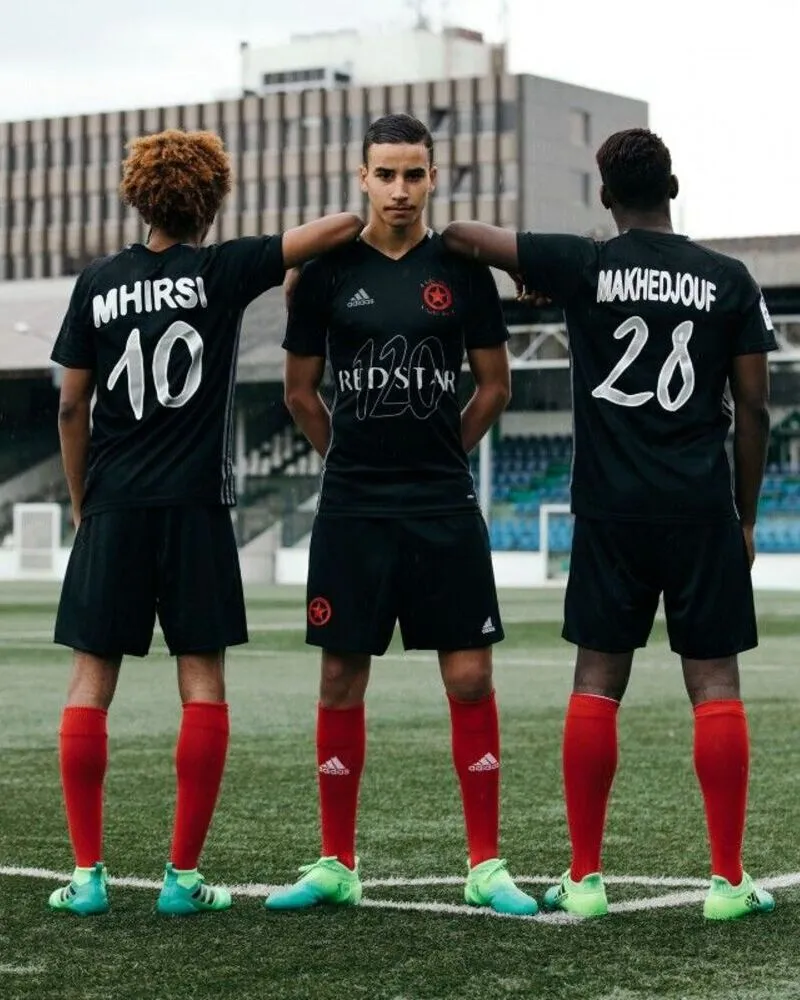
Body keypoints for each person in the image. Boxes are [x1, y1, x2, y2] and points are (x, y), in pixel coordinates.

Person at [442, 127, 777, 921]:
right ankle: (728, 882)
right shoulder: (731, 280)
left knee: (597, 682)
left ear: (605, 198)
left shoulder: (584, 263)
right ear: (674, 186)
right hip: (699, 506)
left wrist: (535, 267)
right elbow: (755, 407)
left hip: (608, 507)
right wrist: (747, 516)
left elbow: (457, 236)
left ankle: (585, 877)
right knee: (715, 683)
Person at [47, 129, 364, 916]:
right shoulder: (220, 269)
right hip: (196, 507)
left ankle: (87, 877)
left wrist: (85, 501)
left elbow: (68, 404)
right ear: (213, 200)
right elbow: (340, 228)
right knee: (203, 683)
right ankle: (182, 879)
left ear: (136, 196)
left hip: (115, 505)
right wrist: (287, 260)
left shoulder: (97, 283)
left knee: (91, 682)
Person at [265, 114, 536, 916]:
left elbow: (496, 385)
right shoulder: (322, 273)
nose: (400, 189)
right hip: (353, 505)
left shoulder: (460, 270)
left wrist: (446, 454)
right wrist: (342, 457)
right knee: (342, 675)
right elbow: (298, 392)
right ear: (361, 177)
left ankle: (485, 864)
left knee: (470, 674)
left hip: (441, 503)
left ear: (432, 178)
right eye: (386, 174)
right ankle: (336, 862)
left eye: (414, 174)